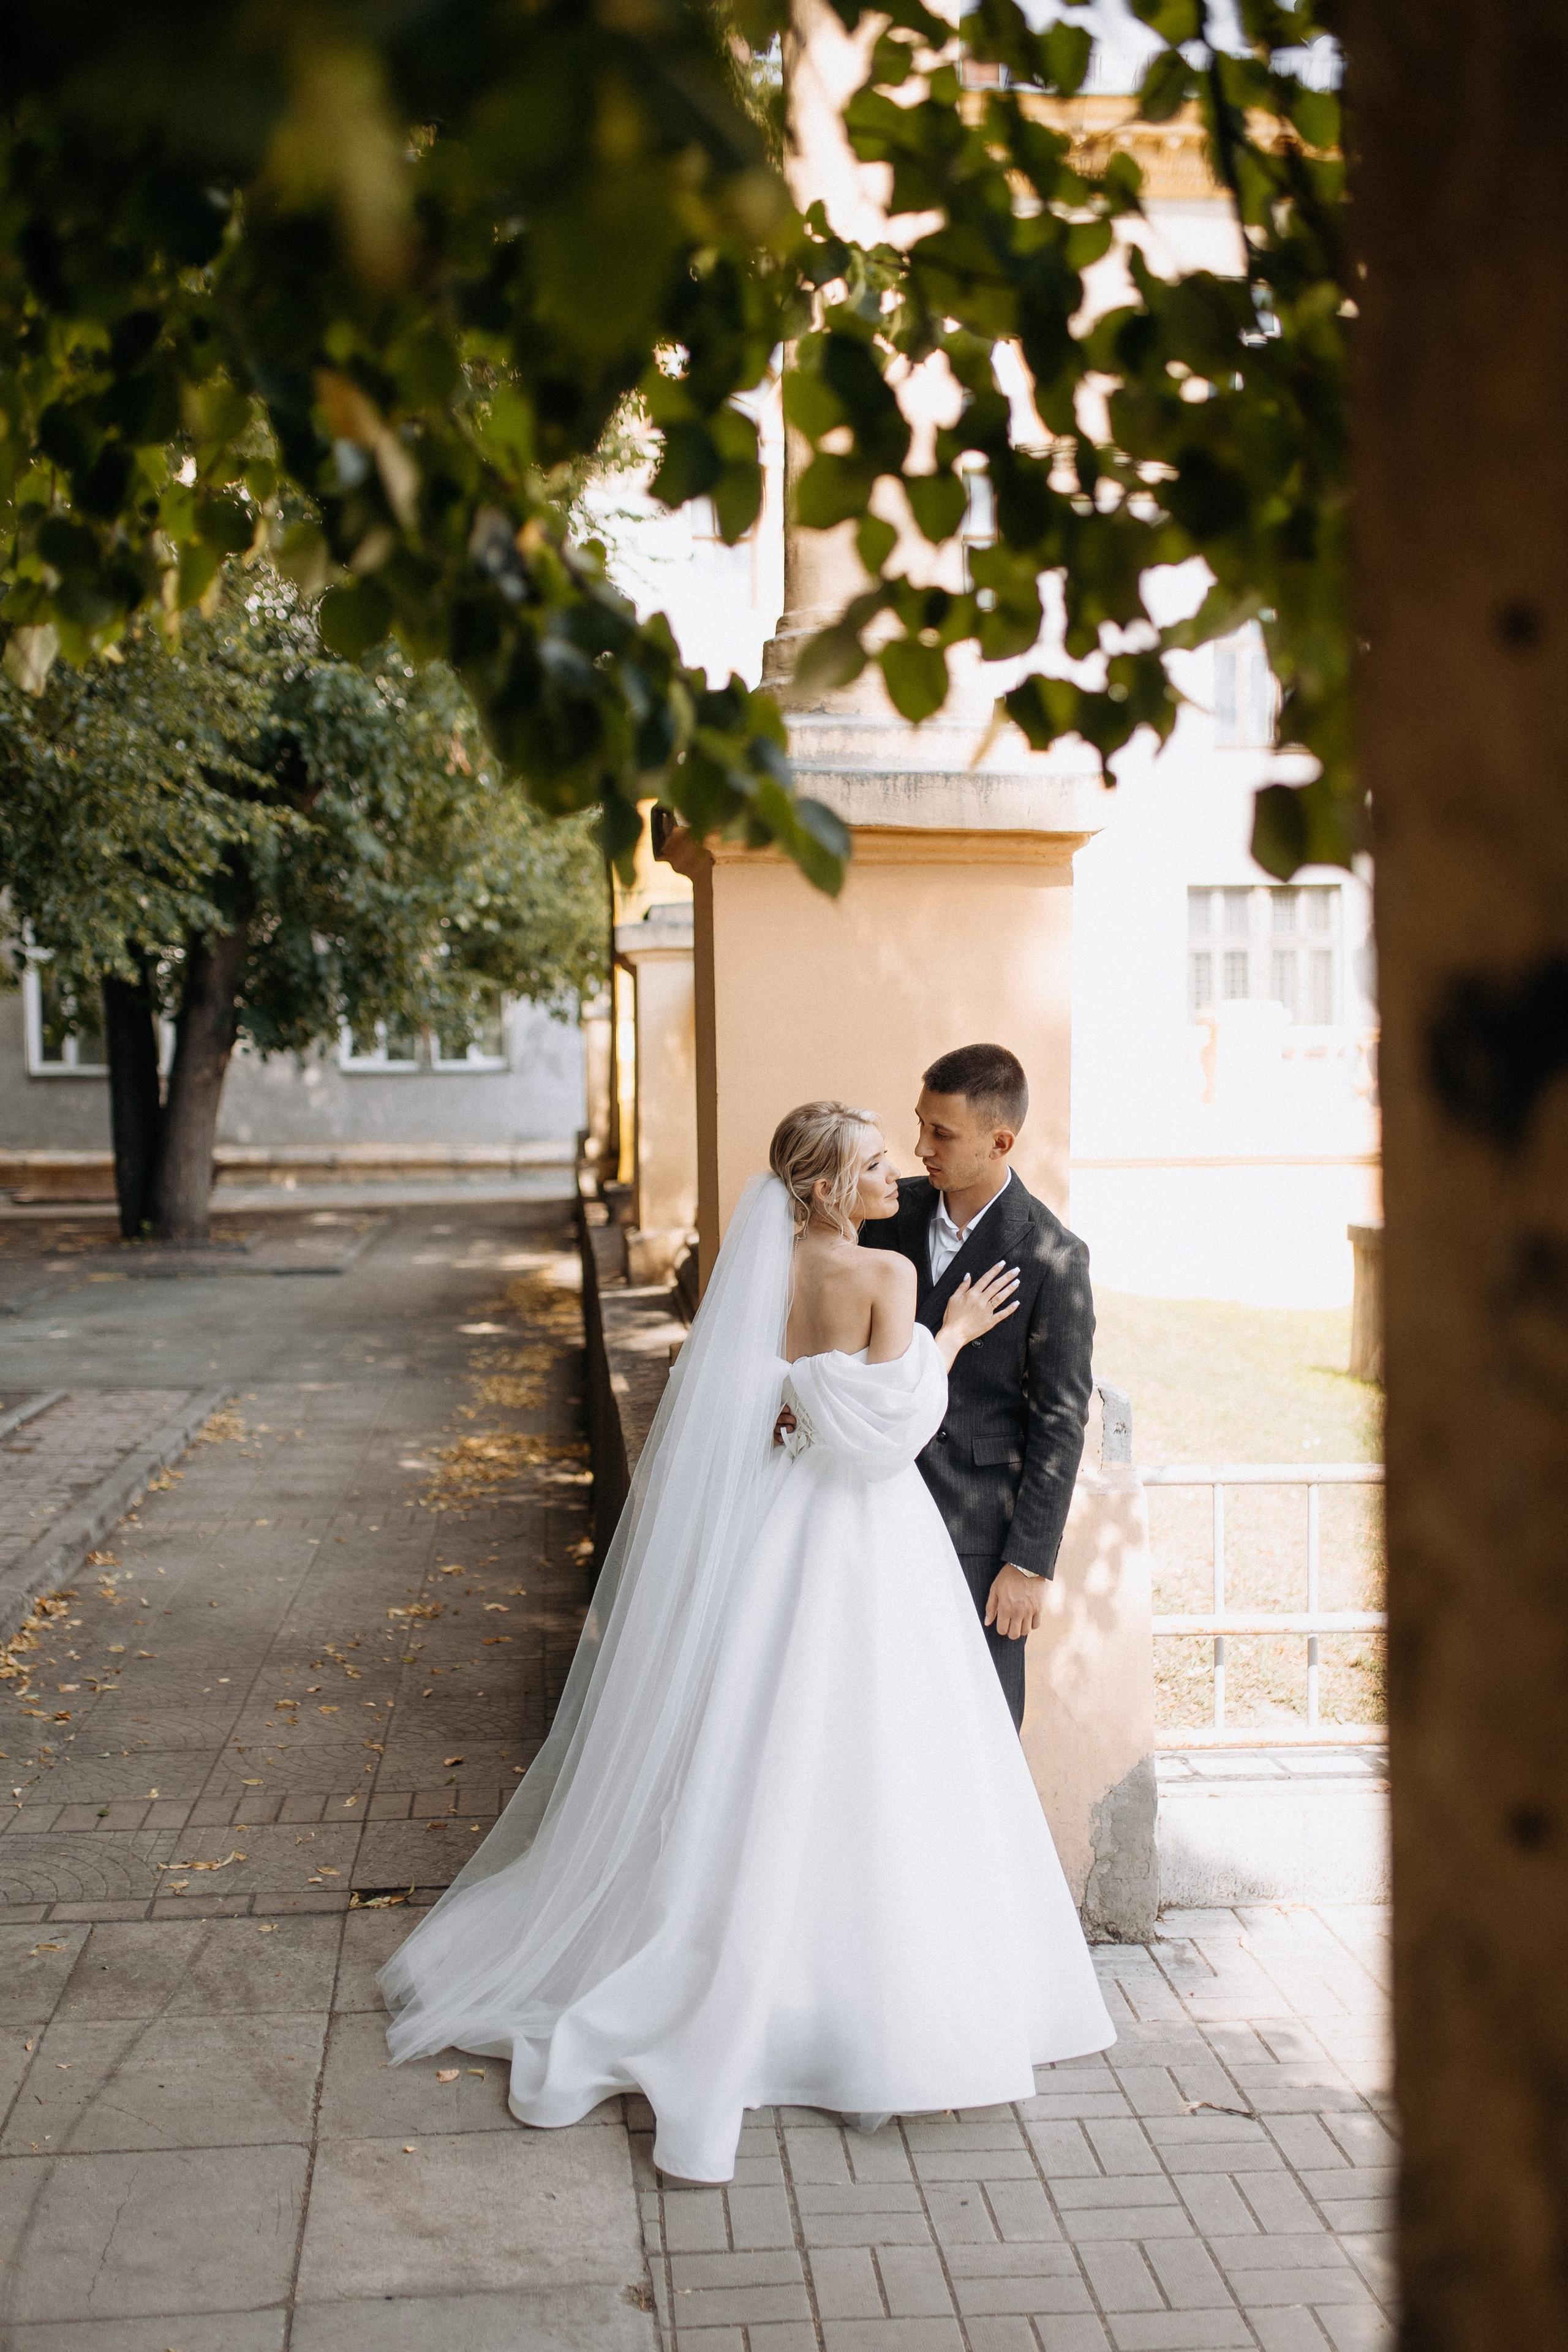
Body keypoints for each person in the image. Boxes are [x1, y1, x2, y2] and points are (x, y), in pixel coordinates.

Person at [379, 1101, 1114, 2186]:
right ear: (828, 1189)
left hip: (775, 1525)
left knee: (755, 1737)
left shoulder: (763, 1271)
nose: (893, 1178)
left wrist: (803, 1404)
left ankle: (740, 1950)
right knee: (876, 1747)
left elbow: (771, 1401)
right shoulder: (890, 1281)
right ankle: (868, 1991)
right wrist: (949, 1340)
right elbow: (889, 1436)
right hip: (865, 1538)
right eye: (872, 1166)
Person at [859, 1043, 1095, 1732]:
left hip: (977, 1534)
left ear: (1000, 1142)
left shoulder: (1053, 1256)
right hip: (867, 1508)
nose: (919, 1146)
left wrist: (1027, 1563)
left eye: (941, 1133)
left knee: (974, 1731)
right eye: (921, 1124)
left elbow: (1059, 1418)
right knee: (878, 1722)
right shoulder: (882, 1213)